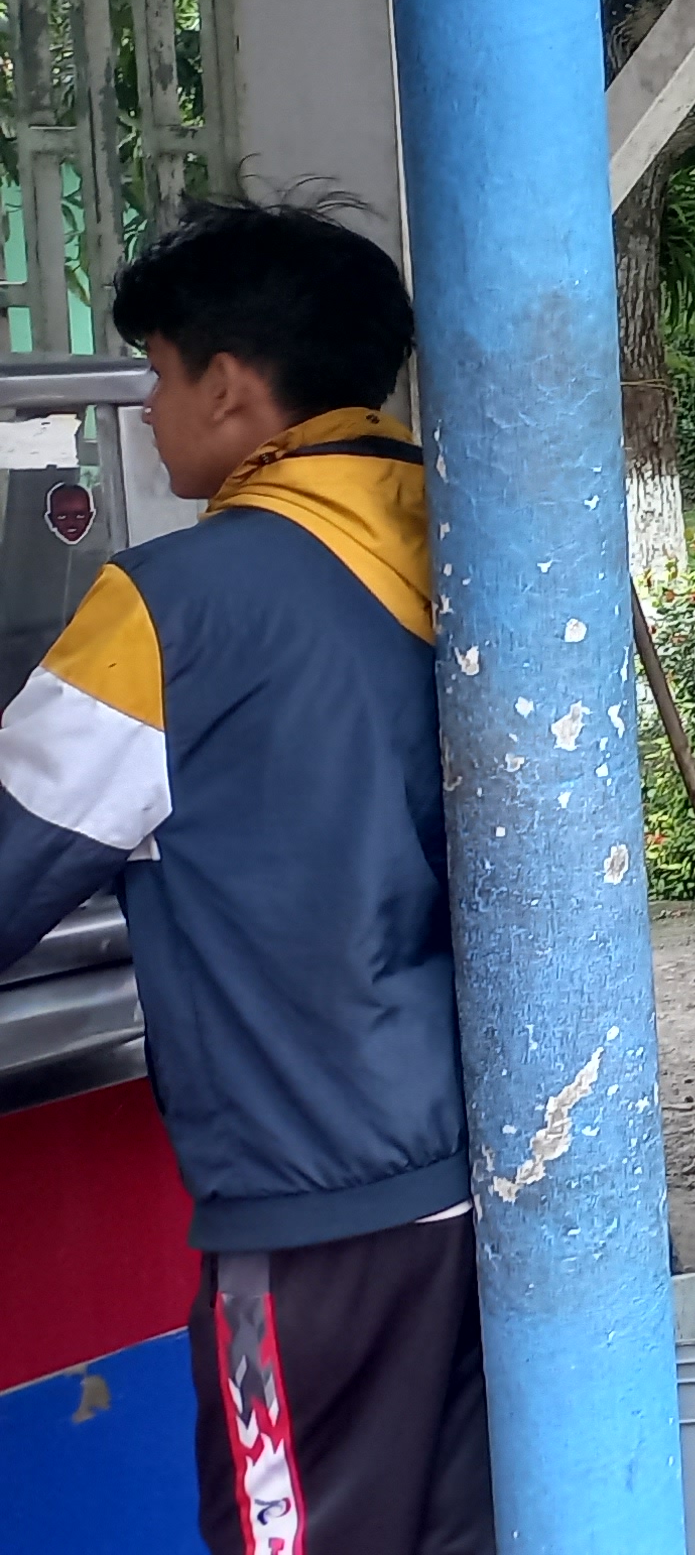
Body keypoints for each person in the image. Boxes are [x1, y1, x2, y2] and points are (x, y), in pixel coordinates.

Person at [0, 200, 487, 1554]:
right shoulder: (484, 556)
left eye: (154, 375)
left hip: (316, 1194)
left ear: (229, 384)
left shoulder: (172, 605)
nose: (147, 415)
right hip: (503, 1169)